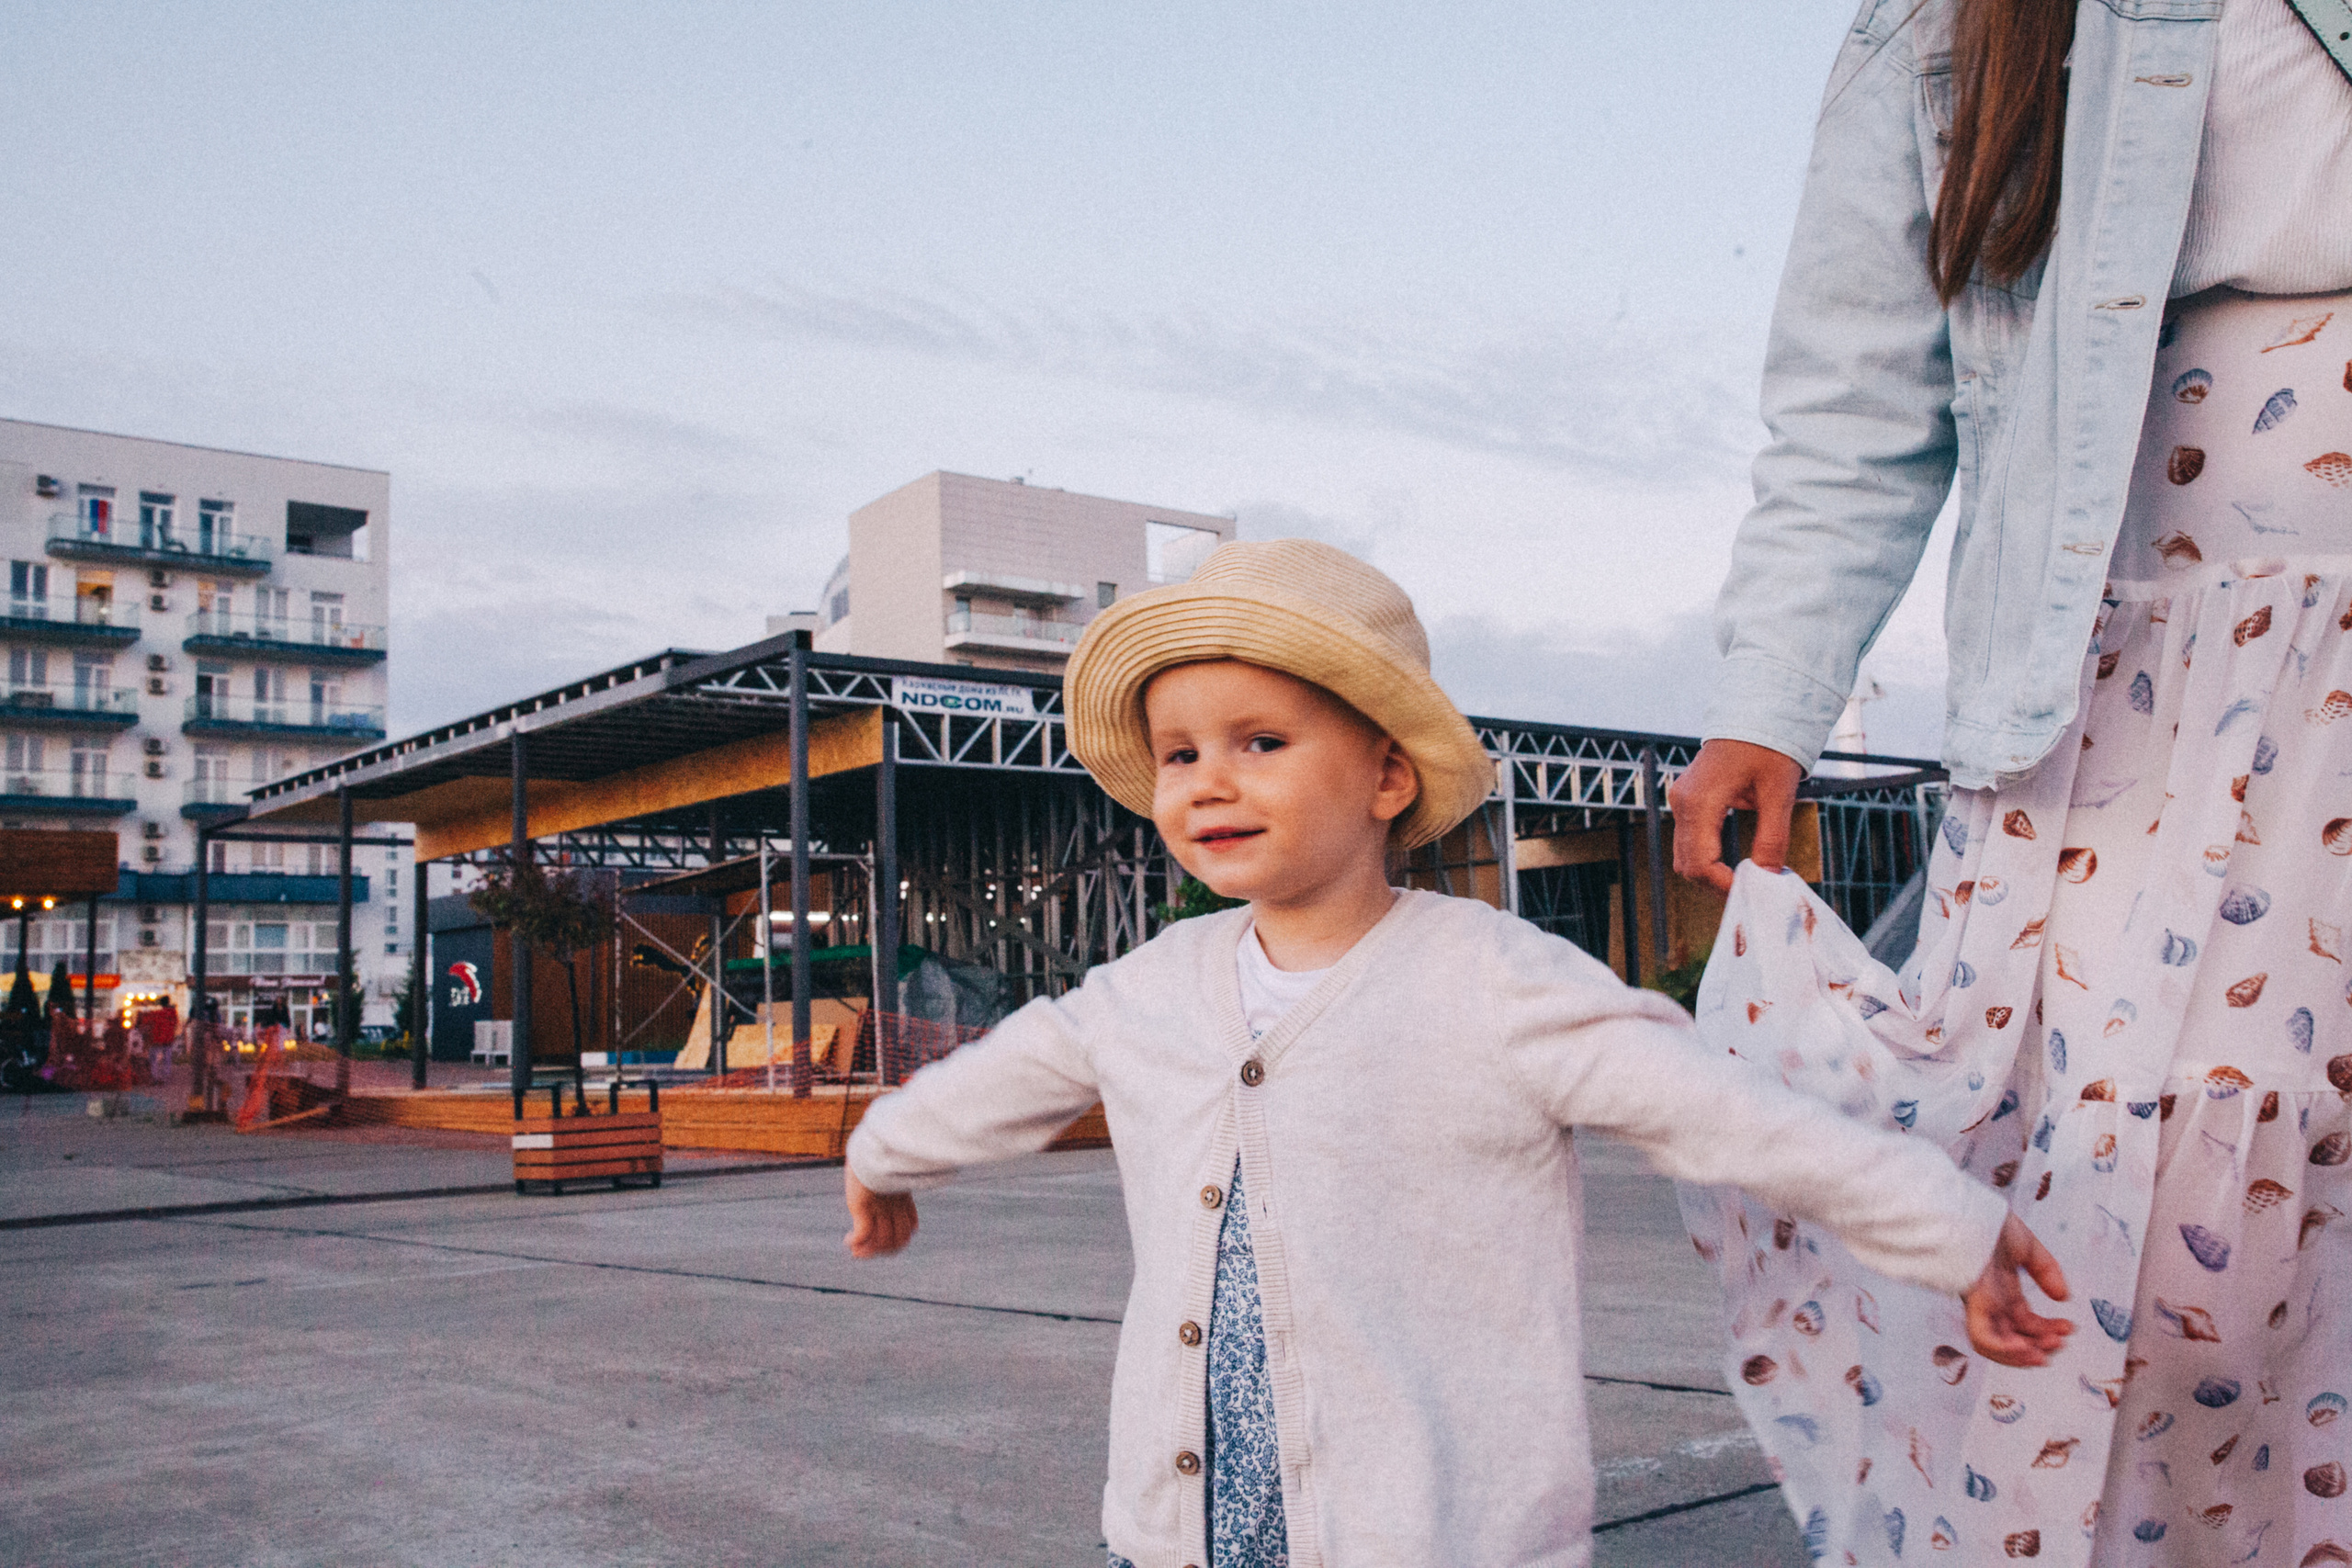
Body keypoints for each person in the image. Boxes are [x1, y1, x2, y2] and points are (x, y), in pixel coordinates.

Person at [842, 538, 2066, 1568]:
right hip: (1180, 1534)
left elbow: (1727, 1113)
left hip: (1439, 1533)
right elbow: (1011, 1072)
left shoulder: (1494, 981)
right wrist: (885, 1154)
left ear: (1385, 774)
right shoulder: (1148, 988)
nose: (1211, 777)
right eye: (1181, 752)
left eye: (1261, 741)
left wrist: (1943, 1222)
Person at [1668, 1, 2352, 1560]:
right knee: (2172, 1257)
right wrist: (1773, 698)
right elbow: (1854, 396)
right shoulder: (1945, 23)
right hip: (2148, 689)